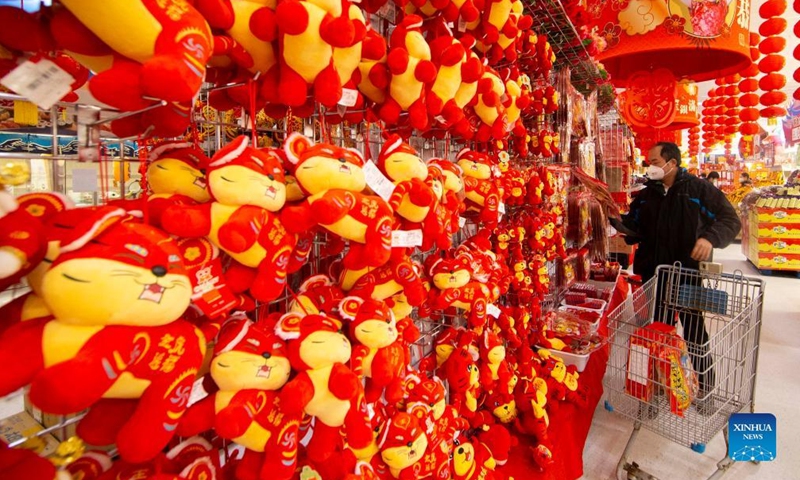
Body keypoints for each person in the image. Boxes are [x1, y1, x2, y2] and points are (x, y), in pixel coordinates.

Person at [614, 142, 741, 410]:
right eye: (649, 162)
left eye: (655, 161)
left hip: (687, 274)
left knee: (694, 332)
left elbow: (730, 219)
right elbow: (635, 227)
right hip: (654, 276)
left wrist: (709, 238)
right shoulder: (647, 195)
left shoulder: (697, 190)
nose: (651, 166)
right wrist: (613, 219)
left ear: (672, 162)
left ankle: (706, 389)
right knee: (656, 334)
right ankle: (658, 389)